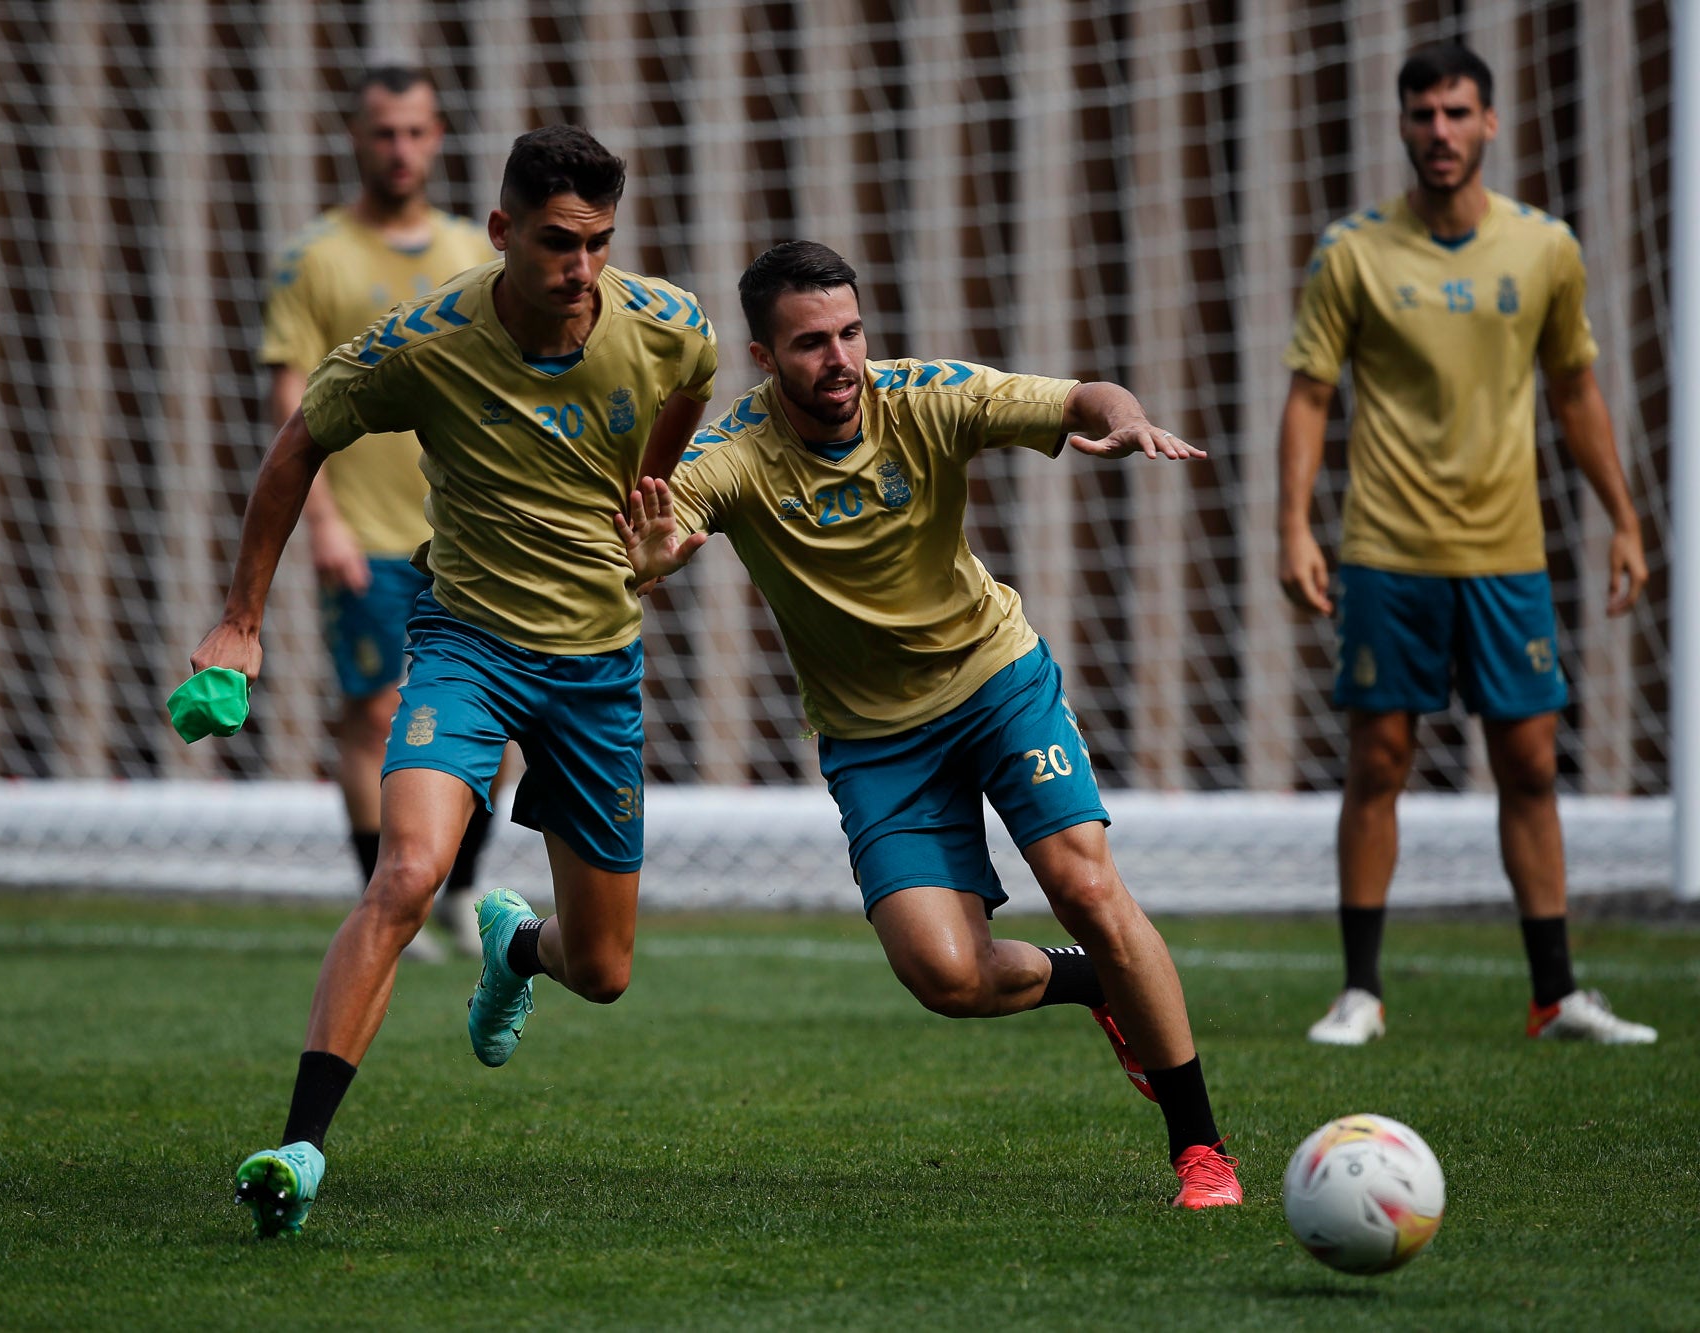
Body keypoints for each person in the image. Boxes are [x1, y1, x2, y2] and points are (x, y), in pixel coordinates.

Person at [619, 240, 1242, 1208]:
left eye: (850, 332)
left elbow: (1084, 396)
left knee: (1082, 880)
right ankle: (1089, 986)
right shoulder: (735, 448)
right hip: (875, 741)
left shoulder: (924, 396)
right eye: (810, 344)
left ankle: (1199, 1148)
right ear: (761, 356)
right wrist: (653, 555)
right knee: (943, 975)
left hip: (993, 679)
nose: (839, 360)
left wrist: (1123, 422)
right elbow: (665, 530)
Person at [192, 125, 718, 1235]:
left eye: (599, 245)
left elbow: (693, 383)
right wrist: (240, 621)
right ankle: (298, 1147)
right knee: (408, 871)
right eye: (556, 244)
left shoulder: (668, 327)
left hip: (595, 669)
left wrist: (655, 501)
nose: (580, 271)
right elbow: (295, 446)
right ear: (498, 231)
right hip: (466, 645)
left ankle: (516, 949)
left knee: (607, 969)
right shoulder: (421, 346)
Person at [1275, 41, 1655, 1046]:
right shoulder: (1350, 250)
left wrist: (1621, 516)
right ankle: (1358, 991)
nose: (1437, 132)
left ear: (1488, 123)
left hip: (1505, 551)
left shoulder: (1542, 248)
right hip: (1384, 548)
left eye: (1454, 113)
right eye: (1420, 115)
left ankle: (1553, 994)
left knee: (1527, 762)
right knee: (1378, 759)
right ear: (1400, 126)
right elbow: (1308, 395)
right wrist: (1291, 527)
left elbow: (1573, 390)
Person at [259, 66, 497, 960]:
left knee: (497, 714)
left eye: (414, 131)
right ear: (355, 137)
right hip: (364, 533)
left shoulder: (476, 251)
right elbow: (293, 399)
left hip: (469, 537)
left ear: (437, 138)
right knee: (372, 712)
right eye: (382, 132)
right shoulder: (314, 257)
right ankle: (383, 899)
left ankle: (461, 889)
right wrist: (321, 519)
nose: (399, 148)